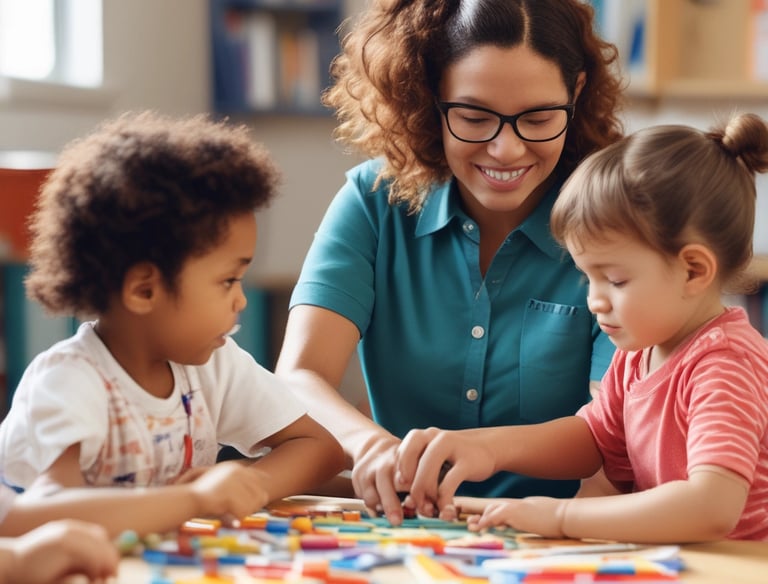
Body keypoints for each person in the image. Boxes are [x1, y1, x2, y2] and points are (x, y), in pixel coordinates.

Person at [275, 0, 624, 524]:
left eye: (538, 118)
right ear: (429, 98)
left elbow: (612, 443)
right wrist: (368, 446)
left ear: (574, 94)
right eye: (474, 117)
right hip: (404, 530)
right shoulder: (374, 202)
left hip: (554, 534)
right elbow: (300, 373)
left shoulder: (618, 224)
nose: (506, 149)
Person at [395, 112, 768, 542]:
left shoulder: (726, 364)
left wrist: (561, 518)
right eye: (587, 277)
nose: (594, 300)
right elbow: (594, 438)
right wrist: (485, 448)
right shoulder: (639, 352)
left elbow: (711, 507)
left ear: (693, 271)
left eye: (615, 279)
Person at [0, 112, 345, 514]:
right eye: (228, 281)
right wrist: (193, 500)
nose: (241, 301)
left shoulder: (211, 364)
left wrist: (252, 482)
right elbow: (47, 513)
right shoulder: (69, 381)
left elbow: (320, 448)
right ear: (144, 290)